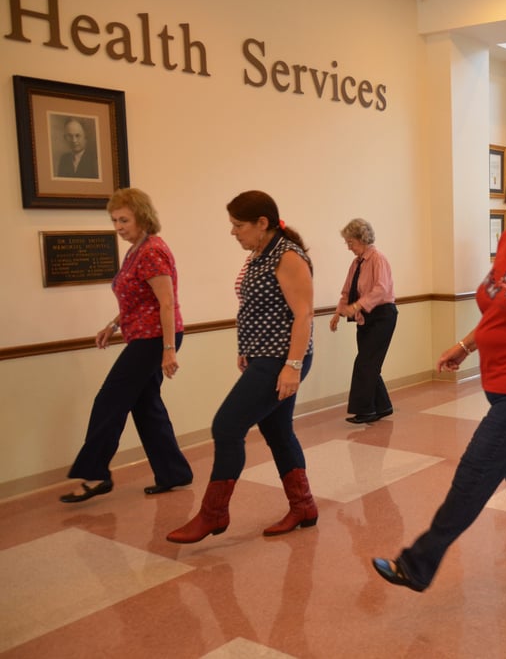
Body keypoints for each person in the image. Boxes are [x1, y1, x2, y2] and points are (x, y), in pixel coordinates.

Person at [371, 148, 506, 598]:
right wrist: (466, 345)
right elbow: (499, 306)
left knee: (476, 471)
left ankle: (418, 563)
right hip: (501, 378)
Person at [167, 190, 316, 543]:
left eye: (238, 225)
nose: (233, 232)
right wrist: (246, 347)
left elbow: (303, 313)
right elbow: (257, 307)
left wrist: (292, 367)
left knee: (226, 426)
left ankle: (213, 514)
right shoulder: (260, 253)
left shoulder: (287, 255)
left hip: (282, 358)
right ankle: (304, 506)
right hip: (263, 355)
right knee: (278, 432)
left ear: (262, 223)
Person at [60, 188, 192, 503]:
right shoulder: (136, 249)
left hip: (154, 339)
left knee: (109, 400)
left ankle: (95, 475)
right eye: (114, 220)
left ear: (142, 216)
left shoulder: (151, 251)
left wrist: (168, 349)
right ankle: (174, 473)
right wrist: (114, 324)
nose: (118, 226)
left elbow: (166, 302)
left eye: (124, 219)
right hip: (144, 336)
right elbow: (138, 299)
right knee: (147, 407)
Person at [330, 219, 397, 424]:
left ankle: (366, 411)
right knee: (369, 363)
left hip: (382, 316)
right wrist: (338, 313)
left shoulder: (378, 259)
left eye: (351, 242)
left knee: (365, 363)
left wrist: (357, 306)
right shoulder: (356, 263)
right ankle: (383, 406)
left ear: (362, 238)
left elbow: (381, 289)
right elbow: (347, 290)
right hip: (366, 317)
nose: (349, 247)